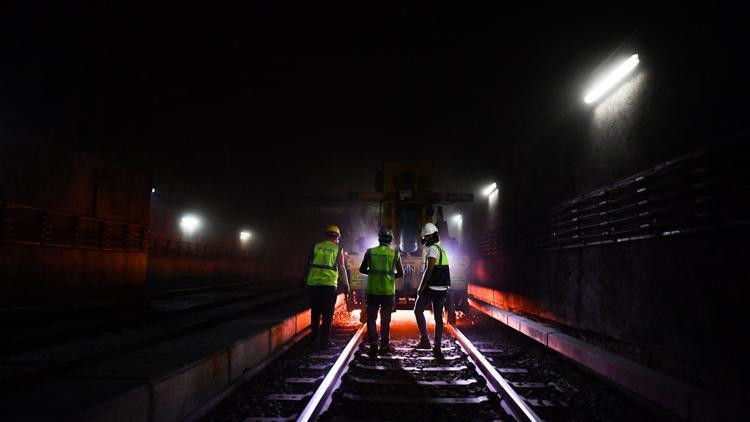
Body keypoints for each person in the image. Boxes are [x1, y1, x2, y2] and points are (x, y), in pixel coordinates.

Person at [359, 227, 404, 358]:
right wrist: (390, 278)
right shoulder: (395, 254)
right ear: (390, 240)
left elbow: (362, 269)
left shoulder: (370, 252)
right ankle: (384, 346)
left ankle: (373, 344)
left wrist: (373, 275)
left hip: (372, 291)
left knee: (371, 319)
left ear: (379, 239)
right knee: (385, 320)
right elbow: (401, 273)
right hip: (387, 292)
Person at [303, 225, 350, 349]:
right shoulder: (338, 249)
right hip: (329, 286)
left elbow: (308, 264)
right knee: (327, 314)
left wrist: (303, 279)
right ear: (337, 237)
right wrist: (346, 284)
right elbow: (341, 268)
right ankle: (324, 341)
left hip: (314, 285)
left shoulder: (316, 246)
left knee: (315, 312)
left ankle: (313, 339)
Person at [413, 222, 450, 358]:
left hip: (432, 287)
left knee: (417, 310)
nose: (423, 240)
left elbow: (429, 270)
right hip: (442, 288)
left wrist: (421, 287)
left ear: (429, 237)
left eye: (425, 237)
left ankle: (425, 341)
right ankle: (437, 347)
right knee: (438, 317)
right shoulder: (442, 249)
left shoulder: (433, 250)